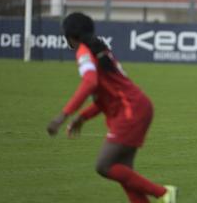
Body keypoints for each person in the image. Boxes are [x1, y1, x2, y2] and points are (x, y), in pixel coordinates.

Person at [46, 12, 177, 203]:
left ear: (70, 35)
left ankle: (162, 192)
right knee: (125, 174)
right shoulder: (100, 49)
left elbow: (90, 83)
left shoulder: (85, 51)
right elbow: (105, 98)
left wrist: (63, 115)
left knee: (104, 166)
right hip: (137, 107)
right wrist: (82, 117)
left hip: (130, 112)